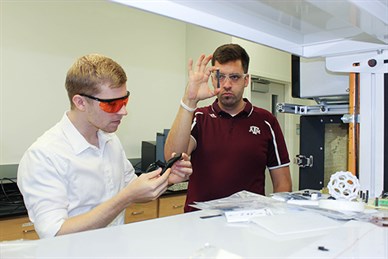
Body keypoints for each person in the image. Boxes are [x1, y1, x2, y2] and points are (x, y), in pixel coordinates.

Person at [17, 54, 192, 238]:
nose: (124, 111)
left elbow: (133, 188)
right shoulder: (43, 155)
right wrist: (126, 198)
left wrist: (166, 178)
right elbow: (55, 233)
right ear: (80, 102)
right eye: (112, 105)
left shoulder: (110, 140)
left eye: (124, 101)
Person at [164, 44, 292, 212]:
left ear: (246, 80)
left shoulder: (266, 121)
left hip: (249, 224)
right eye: (220, 76)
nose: (226, 84)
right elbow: (172, 158)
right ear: (212, 79)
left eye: (234, 77)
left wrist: (276, 217)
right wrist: (189, 101)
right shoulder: (198, 117)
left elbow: (282, 182)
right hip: (200, 224)